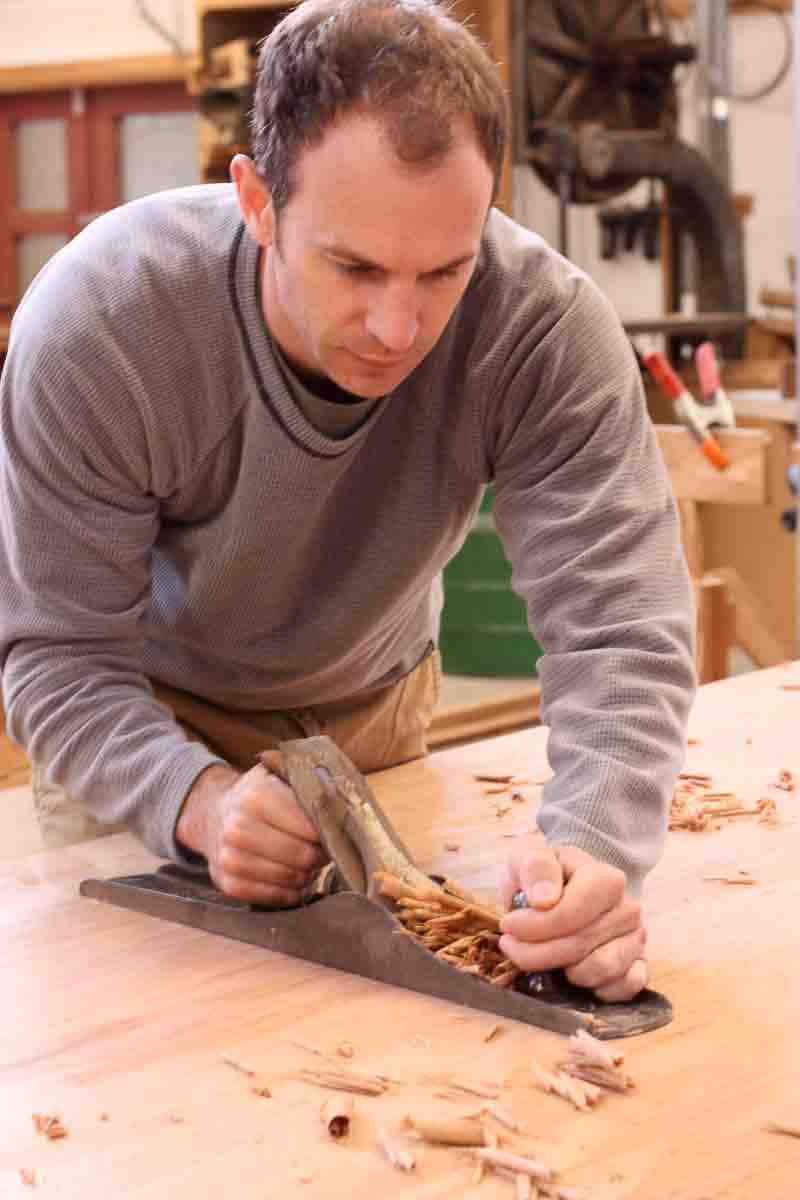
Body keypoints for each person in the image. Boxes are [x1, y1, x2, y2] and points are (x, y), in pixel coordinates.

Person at [0, 0, 695, 1003]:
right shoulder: (104, 323)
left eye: (444, 270)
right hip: (141, 719)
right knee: (132, 1042)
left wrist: (592, 847)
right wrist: (191, 800)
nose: (397, 325)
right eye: (354, 267)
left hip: (369, 702)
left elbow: (620, 630)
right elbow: (57, 658)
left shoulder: (543, 333)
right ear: (256, 201)